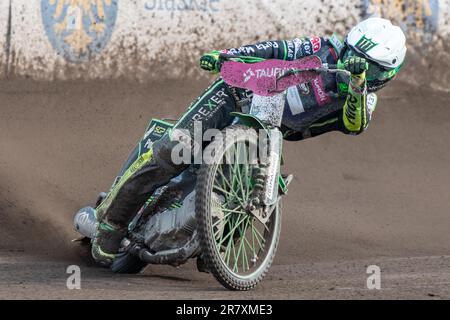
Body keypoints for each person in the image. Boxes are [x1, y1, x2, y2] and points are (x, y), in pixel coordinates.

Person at [91, 17, 407, 265]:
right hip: (236, 95)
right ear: (347, 47)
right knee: (178, 149)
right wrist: (226, 56)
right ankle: (112, 224)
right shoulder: (320, 47)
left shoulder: (363, 100)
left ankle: (214, 244)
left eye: (373, 68)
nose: (359, 66)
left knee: (250, 189)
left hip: (269, 132)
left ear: (388, 74)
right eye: (356, 58)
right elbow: (273, 49)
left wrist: (357, 81)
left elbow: (355, 125)